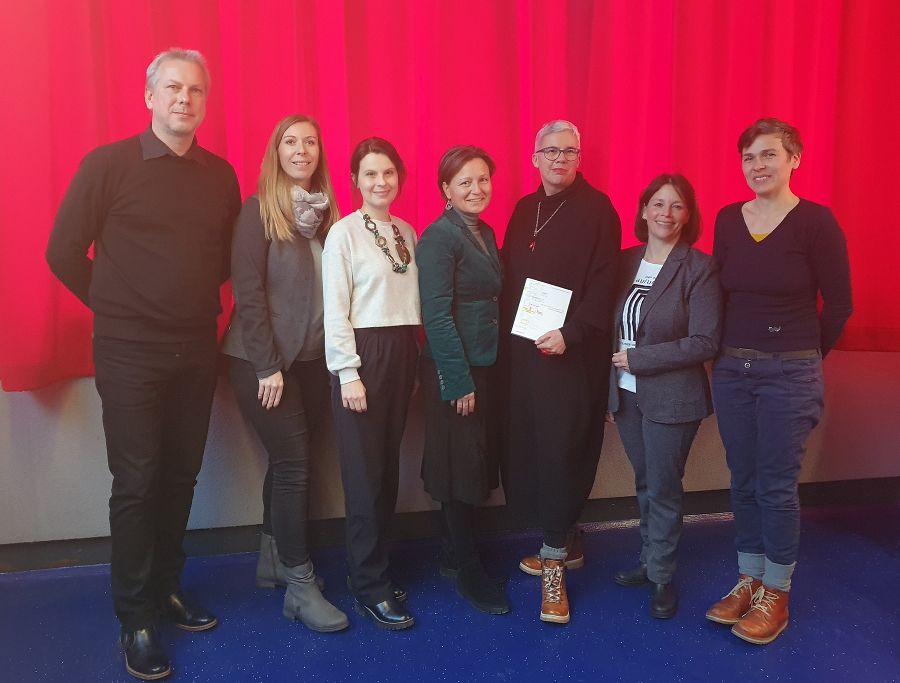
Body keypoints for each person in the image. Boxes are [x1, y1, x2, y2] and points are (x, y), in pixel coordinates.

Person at [45, 49, 241, 680]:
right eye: (173, 88)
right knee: (137, 481)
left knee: (181, 474)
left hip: (195, 344)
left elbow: (222, 260)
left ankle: (165, 588)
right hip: (128, 350)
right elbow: (62, 251)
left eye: (196, 91)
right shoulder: (108, 165)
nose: (185, 99)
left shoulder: (220, 175)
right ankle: (135, 615)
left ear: (205, 102)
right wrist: (120, 305)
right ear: (150, 96)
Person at [705, 118, 852, 644]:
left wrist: (805, 356)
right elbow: (716, 295)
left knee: (774, 484)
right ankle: (749, 577)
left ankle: (777, 591)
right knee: (741, 479)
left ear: (795, 159)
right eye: (748, 157)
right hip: (733, 369)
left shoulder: (816, 222)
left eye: (768, 155)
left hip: (789, 370)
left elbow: (839, 305)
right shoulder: (726, 219)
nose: (757, 166)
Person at [221, 115, 347, 632]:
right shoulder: (258, 210)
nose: (301, 150)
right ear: (276, 151)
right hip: (261, 363)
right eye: (290, 142)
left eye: (310, 141)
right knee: (295, 463)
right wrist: (267, 366)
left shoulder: (330, 215)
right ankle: (299, 582)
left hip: (313, 362)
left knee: (289, 459)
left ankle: (272, 558)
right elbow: (247, 292)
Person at [501, 120, 621, 624]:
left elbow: (605, 284)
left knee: (561, 452)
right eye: (550, 151)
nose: (558, 159)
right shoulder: (524, 209)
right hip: (523, 356)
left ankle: (554, 567)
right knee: (530, 451)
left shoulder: (599, 210)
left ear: (580, 157)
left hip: (570, 354)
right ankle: (564, 540)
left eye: (569, 151)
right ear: (534, 157)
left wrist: (571, 333)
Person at [606, 174, 721, 619]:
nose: (665, 214)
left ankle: (662, 577)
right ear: (643, 210)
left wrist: (639, 361)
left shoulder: (698, 267)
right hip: (627, 396)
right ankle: (649, 559)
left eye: (676, 206)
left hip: (673, 398)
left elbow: (705, 341)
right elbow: (610, 328)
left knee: (664, 488)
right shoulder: (624, 262)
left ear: (687, 215)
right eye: (657, 204)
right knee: (644, 482)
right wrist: (610, 389)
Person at [322, 137, 420, 630]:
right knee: (363, 475)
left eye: (388, 173)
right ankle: (368, 585)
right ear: (355, 181)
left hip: (404, 352)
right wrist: (348, 371)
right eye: (370, 175)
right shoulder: (343, 234)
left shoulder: (407, 231)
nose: (381, 182)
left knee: (386, 470)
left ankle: (377, 567)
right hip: (364, 355)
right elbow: (334, 309)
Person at [416, 145, 510, 615]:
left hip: (485, 364)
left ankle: (455, 554)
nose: (477, 189)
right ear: (446, 190)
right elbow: (434, 314)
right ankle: (470, 572)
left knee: (473, 460)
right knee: (459, 465)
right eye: (465, 182)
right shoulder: (438, 237)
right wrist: (457, 380)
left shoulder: (485, 231)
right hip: (456, 372)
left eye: (483, 180)